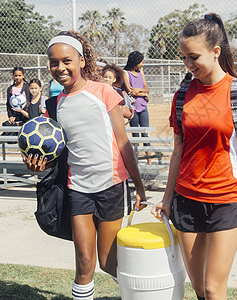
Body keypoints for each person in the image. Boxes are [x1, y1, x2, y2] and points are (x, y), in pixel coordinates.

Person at [151, 13, 237, 300]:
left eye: (193, 57)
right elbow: (178, 151)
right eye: (183, 57)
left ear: (215, 52)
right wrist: (167, 199)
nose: (188, 64)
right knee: (199, 290)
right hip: (187, 199)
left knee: (213, 288)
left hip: (226, 200)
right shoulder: (182, 95)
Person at [23, 30, 147, 300]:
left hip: (111, 185)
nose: (60, 68)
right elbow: (52, 150)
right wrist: (38, 166)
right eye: (54, 62)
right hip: (77, 189)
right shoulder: (54, 105)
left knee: (107, 261)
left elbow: (124, 142)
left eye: (67, 60)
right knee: (85, 262)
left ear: (81, 61)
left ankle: (147, 286)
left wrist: (139, 186)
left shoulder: (103, 92)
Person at [123, 51, 152, 164]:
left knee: (145, 133)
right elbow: (129, 91)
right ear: (135, 62)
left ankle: (149, 159)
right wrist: (144, 94)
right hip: (133, 108)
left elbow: (147, 89)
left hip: (143, 106)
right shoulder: (126, 73)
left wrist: (140, 91)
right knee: (135, 134)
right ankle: (136, 160)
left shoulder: (141, 72)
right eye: (141, 62)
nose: (142, 65)